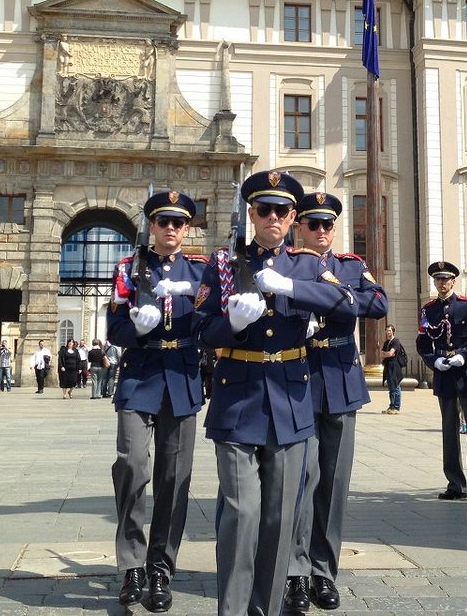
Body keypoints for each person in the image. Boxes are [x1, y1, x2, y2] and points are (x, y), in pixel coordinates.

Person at [194, 170, 357, 616]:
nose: (273, 217)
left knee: (280, 517)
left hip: (290, 400)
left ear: (291, 218)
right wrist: (232, 324)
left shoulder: (307, 264)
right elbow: (200, 329)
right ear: (251, 214)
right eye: (264, 209)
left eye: (282, 211)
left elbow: (348, 305)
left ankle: (264, 609)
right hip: (237, 398)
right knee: (242, 511)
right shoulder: (225, 264)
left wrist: (293, 288)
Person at [285, 191, 387, 614]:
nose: (322, 231)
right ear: (300, 227)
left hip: (341, 379)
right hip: (299, 378)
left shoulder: (350, 266)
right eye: (314, 224)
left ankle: (323, 572)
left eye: (328, 224)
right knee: (300, 480)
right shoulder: (287, 264)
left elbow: (377, 303)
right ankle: (295, 572)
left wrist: (335, 296)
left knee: (333, 483)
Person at [107, 189, 208, 612]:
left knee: (174, 478)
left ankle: (161, 568)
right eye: (163, 221)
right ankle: (132, 564)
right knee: (131, 465)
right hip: (141, 374)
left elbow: (210, 323)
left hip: (182, 377)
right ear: (151, 225)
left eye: (178, 222)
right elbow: (114, 328)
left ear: (187, 228)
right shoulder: (130, 268)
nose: (170, 228)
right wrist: (137, 328)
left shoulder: (201, 271)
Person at [416, 260, 467, 504]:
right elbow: (422, 344)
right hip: (444, 373)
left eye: (445, 279)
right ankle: (455, 484)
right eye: (438, 279)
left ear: (453, 281)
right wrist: (434, 360)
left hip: (466, 372)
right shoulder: (429, 310)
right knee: (449, 430)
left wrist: (465, 356)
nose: (441, 283)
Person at [380, 325, 406, 414]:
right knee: (391, 387)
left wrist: (387, 354)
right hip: (388, 366)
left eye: (389, 330)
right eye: (387, 330)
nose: (388, 332)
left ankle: (396, 407)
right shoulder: (386, 342)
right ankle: (391, 406)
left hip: (395, 367)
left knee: (396, 386)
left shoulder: (396, 341)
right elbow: (381, 354)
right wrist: (387, 354)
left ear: (393, 331)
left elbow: (391, 353)